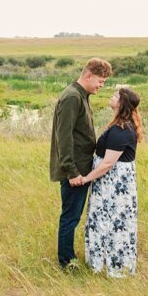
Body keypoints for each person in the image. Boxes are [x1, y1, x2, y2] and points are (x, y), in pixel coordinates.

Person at [49, 57, 113, 270]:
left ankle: (68, 257)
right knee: (70, 217)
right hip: (75, 172)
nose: (101, 86)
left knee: (74, 216)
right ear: (88, 76)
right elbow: (63, 138)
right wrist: (72, 172)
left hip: (82, 168)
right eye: (100, 82)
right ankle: (67, 263)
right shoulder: (72, 97)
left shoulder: (81, 95)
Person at [82, 86, 142, 278]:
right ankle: (104, 262)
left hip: (113, 186)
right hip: (112, 184)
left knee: (110, 221)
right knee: (110, 220)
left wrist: (86, 179)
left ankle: (110, 266)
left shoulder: (121, 130)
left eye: (116, 95)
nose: (112, 96)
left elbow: (108, 163)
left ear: (122, 102)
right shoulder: (121, 126)